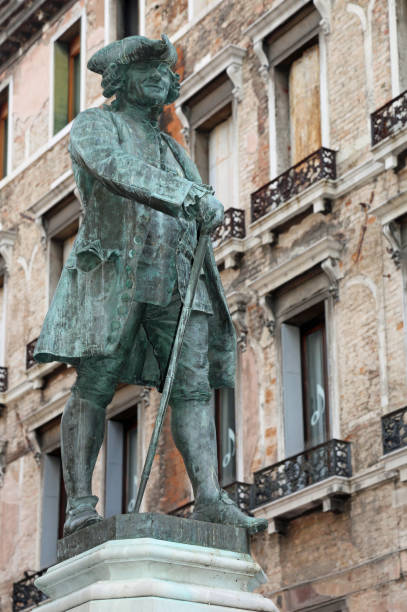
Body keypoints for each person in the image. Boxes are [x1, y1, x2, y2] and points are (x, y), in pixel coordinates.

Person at [34, 34, 267, 536]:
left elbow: (194, 204)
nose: (161, 77)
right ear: (119, 80)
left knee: (193, 388)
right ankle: (79, 503)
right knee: (95, 383)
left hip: (177, 279)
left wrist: (204, 210)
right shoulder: (96, 126)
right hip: (114, 276)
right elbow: (116, 171)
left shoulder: (172, 148)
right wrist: (190, 197)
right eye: (147, 69)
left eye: (166, 71)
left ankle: (208, 495)